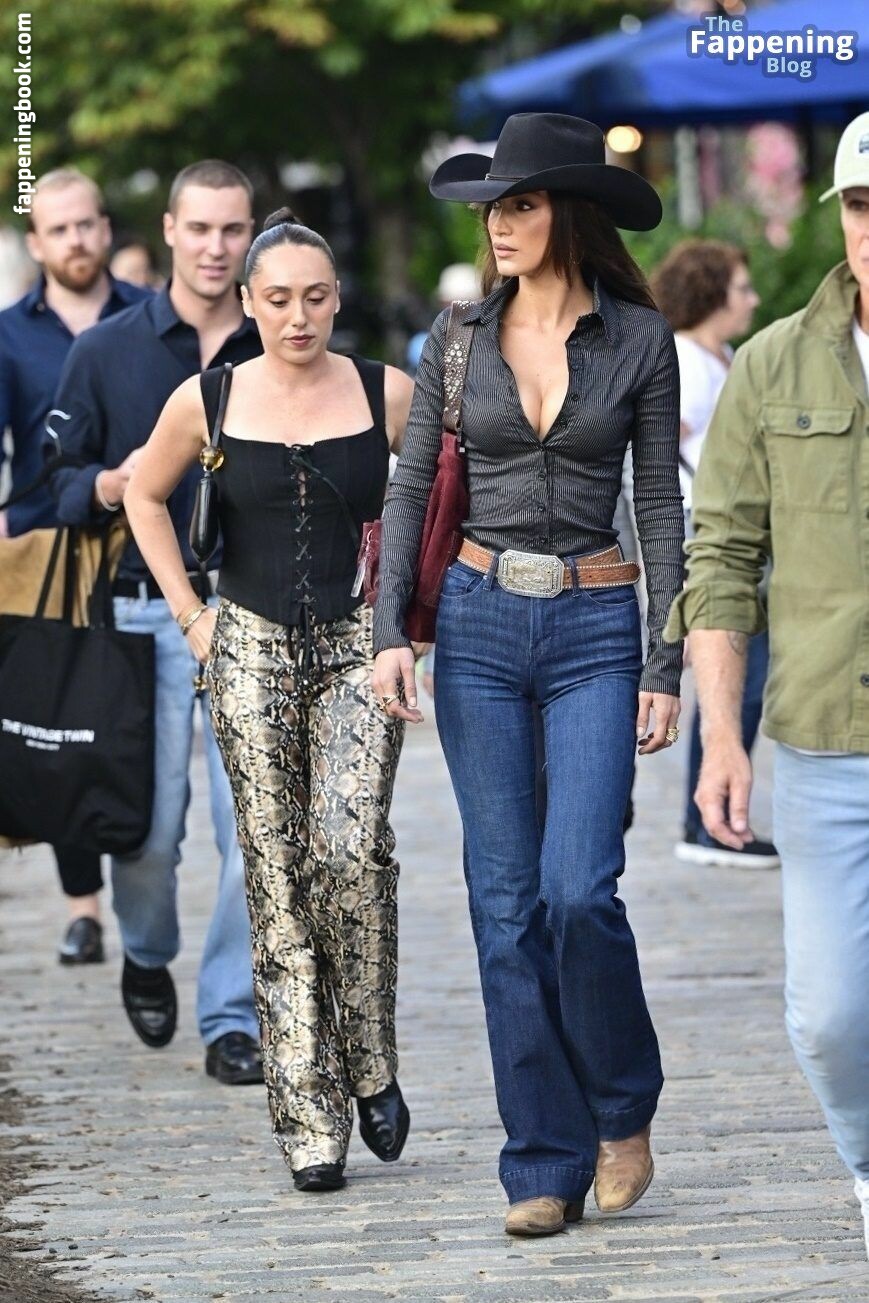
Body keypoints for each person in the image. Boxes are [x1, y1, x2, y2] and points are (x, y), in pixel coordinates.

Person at [372, 112, 684, 1236]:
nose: (498, 226)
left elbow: (659, 503)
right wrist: (388, 631)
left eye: (519, 205)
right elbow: (411, 487)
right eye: (492, 208)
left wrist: (663, 658)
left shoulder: (638, 340)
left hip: (596, 626)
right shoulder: (456, 339)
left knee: (577, 891)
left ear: (569, 213)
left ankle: (620, 1104)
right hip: (479, 627)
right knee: (504, 906)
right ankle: (541, 1160)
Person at [124, 209, 415, 1191]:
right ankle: (308, 1113)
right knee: (275, 870)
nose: (299, 317)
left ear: (337, 301)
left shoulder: (384, 390)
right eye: (279, 299)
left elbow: (439, 497)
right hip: (244, 644)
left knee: (351, 850)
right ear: (248, 303)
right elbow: (144, 495)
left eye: (316, 298)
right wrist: (190, 615)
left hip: (355, 646)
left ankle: (369, 1056)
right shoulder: (208, 397)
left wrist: (407, 618)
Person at [665, 110, 869, 1259]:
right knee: (832, 1015)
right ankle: (865, 1166)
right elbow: (720, 557)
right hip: (823, 738)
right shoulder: (770, 363)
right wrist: (721, 738)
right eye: (859, 205)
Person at [48, 160, 263, 1086]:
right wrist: (113, 482)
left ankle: (231, 1013)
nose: (216, 248)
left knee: (252, 825)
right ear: (169, 230)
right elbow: (52, 485)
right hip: (139, 615)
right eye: (200, 228)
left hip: (254, 614)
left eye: (233, 229)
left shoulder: (279, 340)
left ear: (251, 234)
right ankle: (144, 948)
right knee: (147, 830)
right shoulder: (106, 350)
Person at [0, 168, 150, 964]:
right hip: (44, 545)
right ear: (37, 242)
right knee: (63, 710)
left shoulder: (147, 316)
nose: (76, 240)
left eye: (86, 224)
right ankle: (83, 905)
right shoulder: (8, 332)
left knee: (124, 709)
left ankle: (138, 874)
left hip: (142, 540)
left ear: (106, 226)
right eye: (58, 229)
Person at [650, 240, 777, 870]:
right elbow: (653, 452)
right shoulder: (684, 360)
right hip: (707, 533)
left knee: (747, 679)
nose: (752, 300)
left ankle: (712, 818)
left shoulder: (720, 357)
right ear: (712, 295)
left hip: (741, 534)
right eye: (742, 289)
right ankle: (710, 823)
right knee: (737, 679)